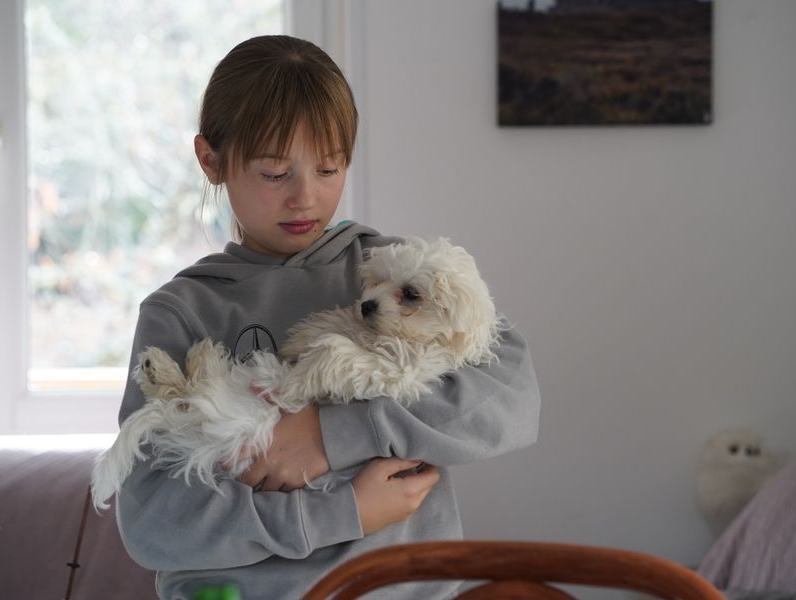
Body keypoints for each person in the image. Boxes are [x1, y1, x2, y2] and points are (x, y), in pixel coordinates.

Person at [115, 35, 541, 600]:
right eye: (274, 173)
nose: (305, 197)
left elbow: (513, 399)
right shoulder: (181, 312)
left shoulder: (399, 274)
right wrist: (341, 512)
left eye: (328, 168)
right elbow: (152, 521)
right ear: (211, 160)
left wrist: (328, 436)